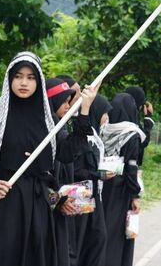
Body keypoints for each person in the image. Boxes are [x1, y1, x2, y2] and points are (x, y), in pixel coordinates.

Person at [0, 52, 60, 266]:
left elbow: (65, 155)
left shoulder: (50, 121)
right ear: (9, 79)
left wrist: (84, 109)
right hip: (6, 202)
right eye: (18, 76)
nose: (23, 83)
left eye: (31, 78)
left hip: (38, 204)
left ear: (38, 82)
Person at [45, 77, 97, 266]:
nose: (68, 106)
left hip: (61, 205)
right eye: (65, 101)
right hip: (48, 208)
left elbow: (72, 150)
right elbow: (42, 179)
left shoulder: (60, 127)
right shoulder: (46, 130)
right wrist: (57, 200)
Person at [101, 93, 146, 266]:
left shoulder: (104, 129)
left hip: (103, 183)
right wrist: (135, 195)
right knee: (118, 231)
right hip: (120, 189)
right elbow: (131, 168)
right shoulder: (132, 133)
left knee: (104, 227)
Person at [73, 95, 115, 266]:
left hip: (93, 194)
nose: (107, 118)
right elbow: (76, 170)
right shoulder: (82, 136)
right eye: (106, 113)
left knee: (97, 238)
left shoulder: (94, 134)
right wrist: (100, 175)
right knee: (84, 241)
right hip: (81, 195)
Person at [124, 87, 154, 166]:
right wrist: (148, 116)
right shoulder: (132, 120)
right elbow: (143, 140)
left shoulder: (117, 113)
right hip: (128, 167)